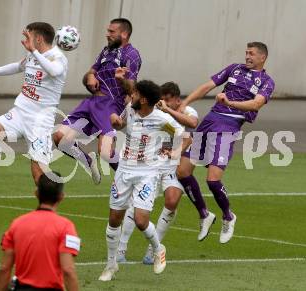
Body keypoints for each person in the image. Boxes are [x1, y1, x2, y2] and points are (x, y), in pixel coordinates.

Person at [177, 42, 275, 243]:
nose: (247, 56)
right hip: (210, 120)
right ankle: (205, 214)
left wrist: (230, 103)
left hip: (229, 126)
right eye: (246, 53)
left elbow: (256, 104)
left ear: (262, 57)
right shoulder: (234, 68)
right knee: (182, 171)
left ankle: (228, 216)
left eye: (252, 54)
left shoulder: (266, 81)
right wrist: (185, 103)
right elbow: (208, 86)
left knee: (212, 180)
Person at [98, 80, 187, 281]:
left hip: (147, 173)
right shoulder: (130, 109)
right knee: (114, 220)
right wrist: (115, 122)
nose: (131, 97)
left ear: (144, 99)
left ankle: (158, 249)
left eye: (135, 94)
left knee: (140, 220)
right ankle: (111, 265)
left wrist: (176, 151)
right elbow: (120, 123)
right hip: (124, 170)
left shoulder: (162, 119)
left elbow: (184, 134)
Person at [0, 22, 68, 185]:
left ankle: (47, 207)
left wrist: (33, 50)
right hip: (20, 112)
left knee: (38, 173)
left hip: (40, 121)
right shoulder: (33, 55)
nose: (26, 40)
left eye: (30, 37)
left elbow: (54, 71)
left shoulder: (58, 57)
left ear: (39, 39)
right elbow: (17, 66)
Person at [116, 82, 199, 264]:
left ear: (177, 99)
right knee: (136, 206)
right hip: (152, 164)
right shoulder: (154, 114)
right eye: (162, 99)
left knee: (171, 201)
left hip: (171, 165)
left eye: (168, 100)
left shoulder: (186, 111)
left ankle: (152, 250)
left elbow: (189, 128)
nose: (165, 102)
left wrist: (176, 151)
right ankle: (121, 249)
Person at [54, 18, 142, 184]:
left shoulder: (131, 54)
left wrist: (121, 80)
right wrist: (91, 77)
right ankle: (88, 161)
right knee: (60, 139)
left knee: (106, 152)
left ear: (124, 34)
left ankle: (130, 179)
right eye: (108, 31)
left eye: (111, 31)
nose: (107, 34)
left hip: (111, 105)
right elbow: (90, 72)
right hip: (91, 102)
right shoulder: (107, 50)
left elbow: (132, 89)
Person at [0, 172, 80, 291]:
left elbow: (4, 268)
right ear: (61, 196)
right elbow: (68, 270)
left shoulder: (17, 224)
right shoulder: (66, 227)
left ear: (36, 193)